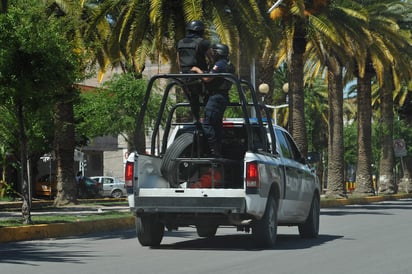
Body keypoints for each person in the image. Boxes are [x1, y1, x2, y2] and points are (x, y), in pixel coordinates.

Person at [191, 43, 235, 156]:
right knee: (216, 125)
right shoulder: (227, 64)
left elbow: (207, 78)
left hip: (216, 98)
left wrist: (197, 70)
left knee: (207, 123)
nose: (211, 54)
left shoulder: (220, 64)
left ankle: (213, 150)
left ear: (218, 53)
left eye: (213, 52)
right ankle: (217, 149)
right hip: (221, 97)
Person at [177, 20, 213, 122]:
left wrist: (184, 73)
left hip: (186, 77)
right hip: (199, 76)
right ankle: (207, 121)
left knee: (193, 99)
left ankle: (196, 120)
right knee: (211, 95)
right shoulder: (203, 42)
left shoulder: (180, 43)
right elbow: (212, 58)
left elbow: (178, 61)